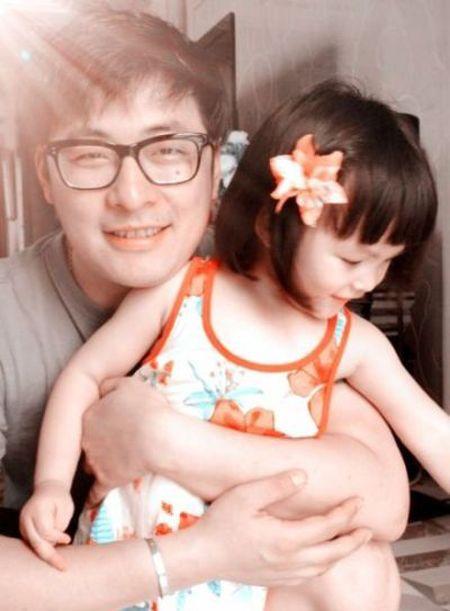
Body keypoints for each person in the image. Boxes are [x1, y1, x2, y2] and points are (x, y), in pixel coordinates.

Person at [0, 8, 408, 609]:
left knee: (358, 564)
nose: (132, 195)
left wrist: (160, 439)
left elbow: (383, 499)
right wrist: (198, 556)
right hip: (94, 580)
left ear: (215, 165)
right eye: (90, 155)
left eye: (168, 150)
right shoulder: (9, 316)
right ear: (45, 176)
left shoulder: (263, 277)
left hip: (237, 584)